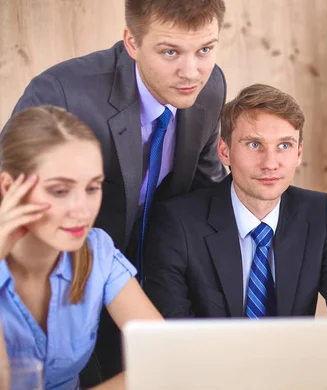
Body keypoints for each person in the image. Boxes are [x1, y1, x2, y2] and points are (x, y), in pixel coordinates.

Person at [7, 0, 227, 382]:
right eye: (170, 51)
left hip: (129, 280)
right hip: (65, 275)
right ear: (131, 41)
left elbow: (205, 193)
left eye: (205, 49)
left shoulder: (209, 89)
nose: (192, 72)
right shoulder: (64, 93)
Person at [144, 84, 327, 318]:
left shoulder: (316, 215)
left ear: (298, 153)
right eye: (254, 144)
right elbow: (173, 333)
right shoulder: (177, 223)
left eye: (284, 145)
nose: (270, 163)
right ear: (224, 151)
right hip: (211, 360)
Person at [0, 106, 162, 390]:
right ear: (8, 187)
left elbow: (164, 355)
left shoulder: (97, 251)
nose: (82, 211)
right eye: (60, 191)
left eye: (92, 188)